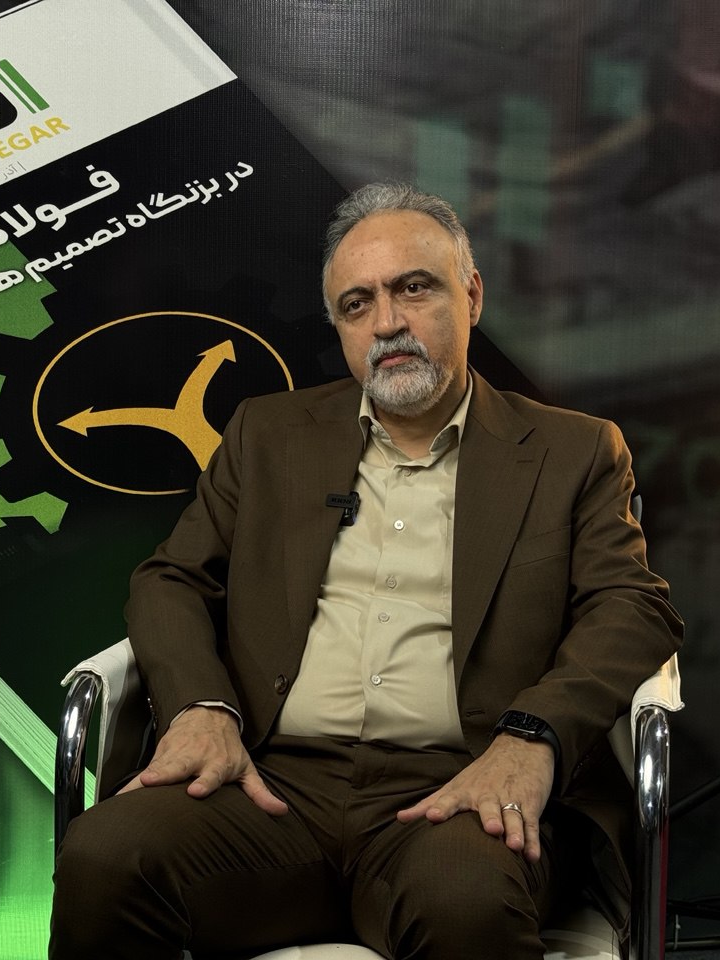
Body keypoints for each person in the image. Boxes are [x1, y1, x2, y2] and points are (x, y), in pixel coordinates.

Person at [49, 183, 683, 960]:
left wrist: (534, 737)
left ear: (471, 295)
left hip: (457, 790)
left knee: (467, 903)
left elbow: (631, 605)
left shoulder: (572, 450)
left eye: (414, 288)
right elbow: (170, 579)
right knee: (104, 855)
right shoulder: (268, 434)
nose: (387, 323)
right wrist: (200, 706)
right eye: (357, 304)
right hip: (270, 788)